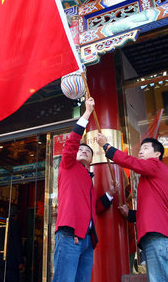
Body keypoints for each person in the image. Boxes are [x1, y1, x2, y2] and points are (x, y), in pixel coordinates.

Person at [96, 135, 168, 282]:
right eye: (140, 149)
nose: (141, 152)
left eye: (146, 148)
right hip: (157, 239)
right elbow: (152, 209)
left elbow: (131, 162)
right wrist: (131, 214)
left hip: (159, 238)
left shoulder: (156, 165)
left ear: (157, 154)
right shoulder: (151, 175)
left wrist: (107, 147)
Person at [53, 95, 118, 282]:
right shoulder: (68, 166)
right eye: (80, 150)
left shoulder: (89, 178)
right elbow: (72, 143)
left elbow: (95, 209)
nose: (83, 151)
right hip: (70, 233)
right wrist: (87, 113)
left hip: (88, 239)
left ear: (91, 161)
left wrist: (110, 194)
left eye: (87, 152)